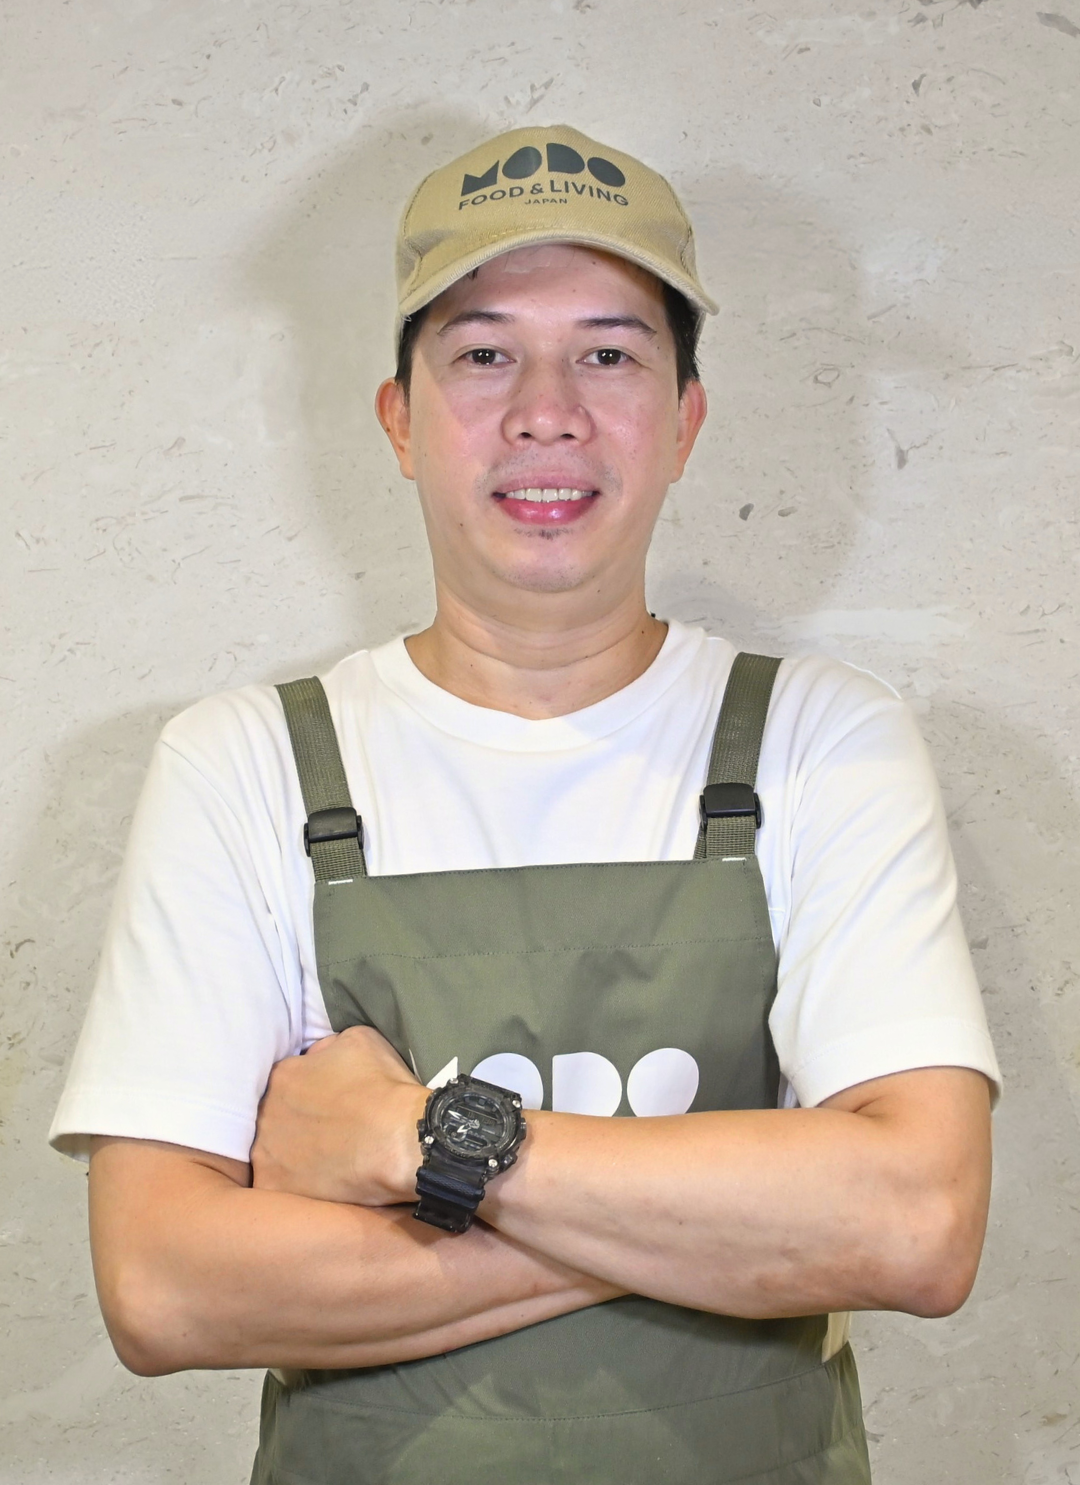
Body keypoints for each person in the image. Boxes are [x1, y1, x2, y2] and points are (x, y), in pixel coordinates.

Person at [51, 125, 1000, 1484]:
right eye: (485, 355)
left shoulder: (823, 743)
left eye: (609, 355)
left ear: (685, 423)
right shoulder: (244, 764)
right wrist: (722, 1222)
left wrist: (415, 1144)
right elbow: (164, 1289)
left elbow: (915, 1226)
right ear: (399, 420)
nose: (546, 411)